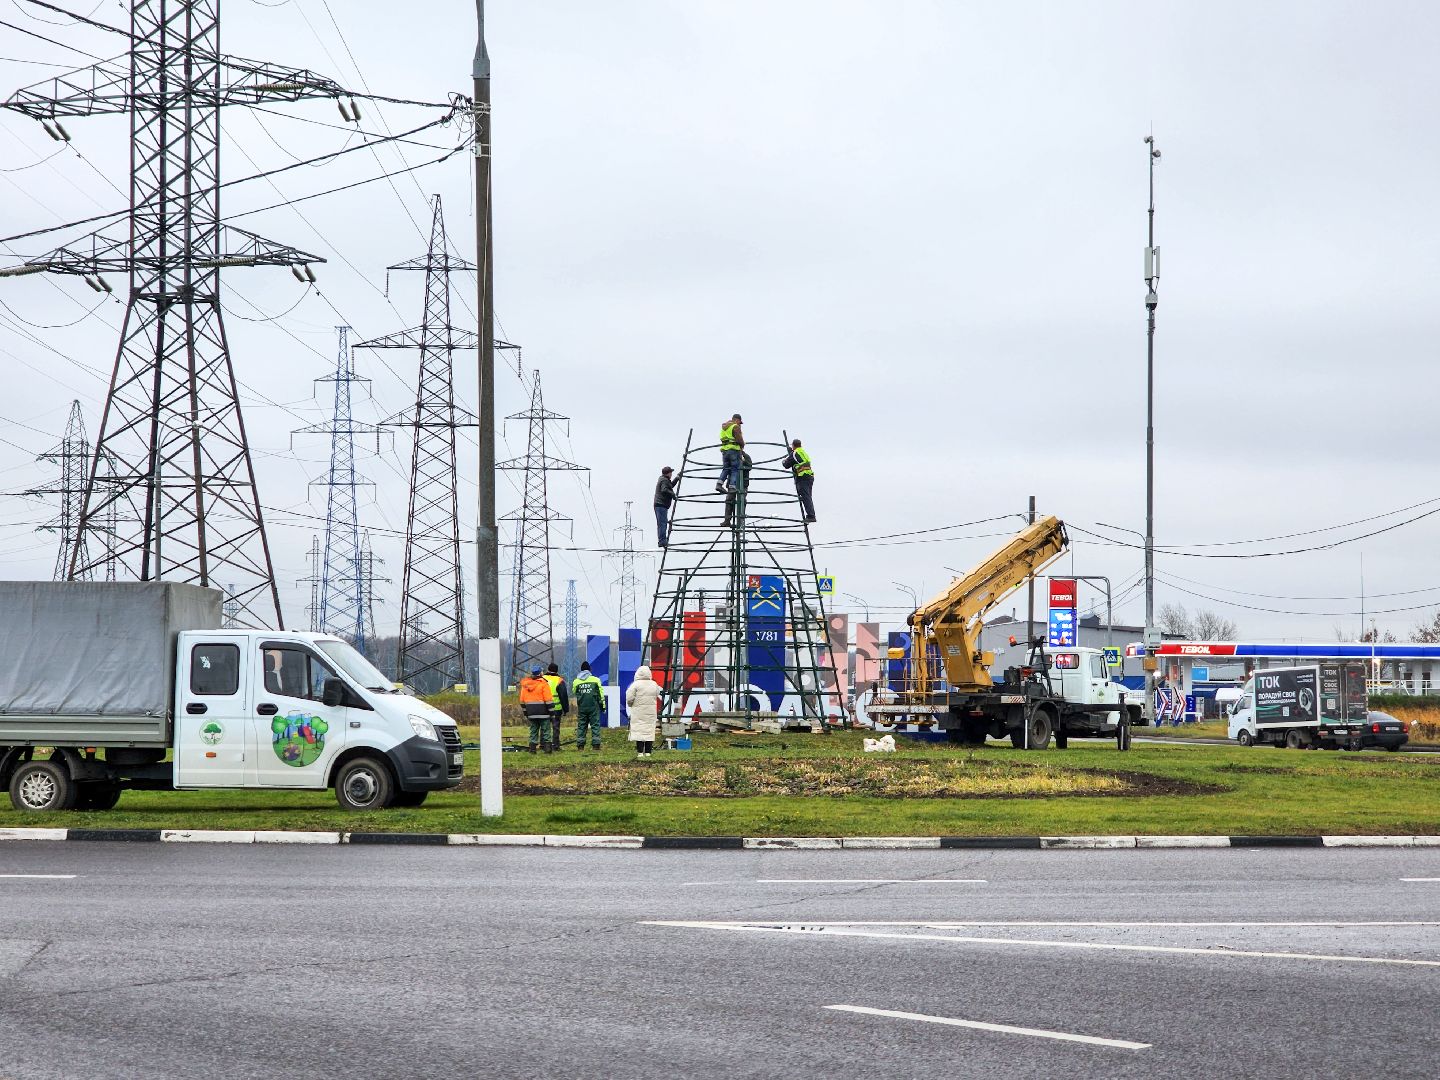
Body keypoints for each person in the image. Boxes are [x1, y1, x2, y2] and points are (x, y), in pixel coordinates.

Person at [625, 665, 663, 759]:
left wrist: (631, 705)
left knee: (639, 731)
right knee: (649, 731)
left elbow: (629, 698)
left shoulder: (635, 685)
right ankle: (648, 752)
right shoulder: (654, 684)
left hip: (638, 712)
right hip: (651, 712)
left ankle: (640, 753)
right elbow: (658, 693)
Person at [518, 666, 553, 753]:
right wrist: (552, 713)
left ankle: (532, 749)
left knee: (533, 731)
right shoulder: (543, 683)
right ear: (540, 673)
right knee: (546, 731)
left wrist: (526, 713)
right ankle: (548, 749)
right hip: (544, 712)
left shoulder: (525, 685)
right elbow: (548, 700)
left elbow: (522, 701)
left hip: (531, 712)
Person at [572, 661, 605, 751]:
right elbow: (601, 695)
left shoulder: (576, 681)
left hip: (582, 707)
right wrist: (603, 707)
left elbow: (575, 692)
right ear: (590, 670)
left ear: (581, 670)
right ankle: (596, 746)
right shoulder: (596, 680)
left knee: (582, 726)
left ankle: (580, 746)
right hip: (593, 707)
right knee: (595, 725)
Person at [782, 437, 816, 522]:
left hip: (802, 477)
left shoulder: (794, 453)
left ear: (793, 446)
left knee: (805, 497)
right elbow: (798, 460)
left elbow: (786, 465)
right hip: (809, 477)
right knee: (808, 497)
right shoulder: (803, 452)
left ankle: (811, 516)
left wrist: (784, 461)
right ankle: (811, 515)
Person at [721, 451, 752, 528]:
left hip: (743, 484)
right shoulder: (731, 456)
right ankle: (727, 520)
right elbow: (727, 467)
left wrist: (743, 461)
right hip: (732, 484)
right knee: (729, 500)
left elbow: (749, 466)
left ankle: (740, 521)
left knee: (742, 500)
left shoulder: (745, 456)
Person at [543, 662, 569, 752]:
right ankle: (555, 745)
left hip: (544, 707)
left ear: (548, 669)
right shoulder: (559, 680)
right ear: (557, 671)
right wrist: (565, 709)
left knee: (544, 727)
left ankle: (543, 745)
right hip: (556, 708)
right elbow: (563, 696)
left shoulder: (542, 679)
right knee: (556, 728)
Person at [717, 413, 744, 493]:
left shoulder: (724, 428)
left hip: (725, 451)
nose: (739, 424)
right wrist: (742, 445)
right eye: (739, 422)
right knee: (734, 469)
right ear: (737, 420)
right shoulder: (735, 427)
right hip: (733, 450)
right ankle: (732, 487)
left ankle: (719, 484)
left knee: (726, 468)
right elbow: (739, 440)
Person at [654, 465, 677, 548]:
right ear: (668, 473)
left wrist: (677, 478)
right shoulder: (664, 480)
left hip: (661, 505)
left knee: (662, 523)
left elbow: (670, 486)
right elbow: (664, 489)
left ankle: (662, 541)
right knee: (662, 524)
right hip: (661, 504)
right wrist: (672, 494)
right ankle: (662, 541)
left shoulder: (664, 479)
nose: (671, 474)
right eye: (671, 473)